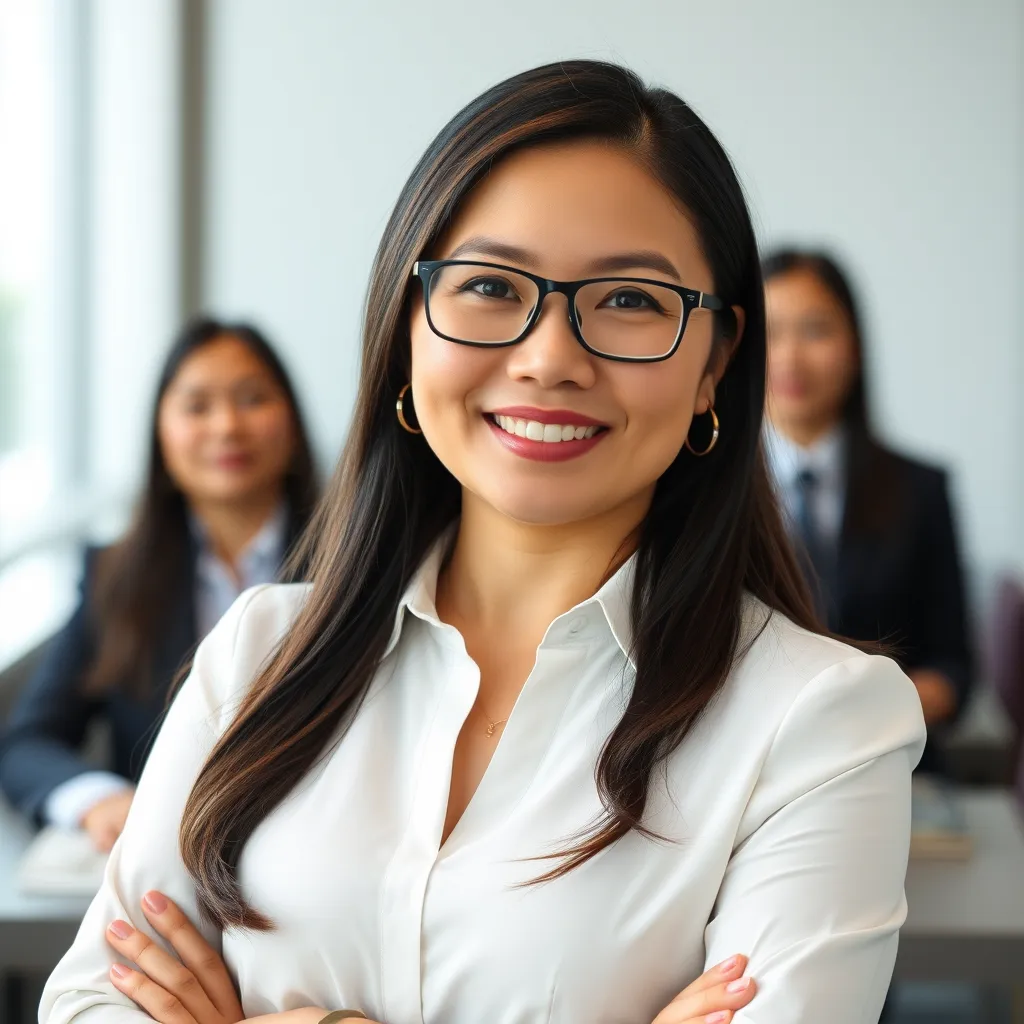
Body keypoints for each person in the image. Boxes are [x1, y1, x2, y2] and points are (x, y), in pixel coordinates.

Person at [40, 62, 925, 1024]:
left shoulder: (821, 724)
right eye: (491, 286)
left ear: (713, 362)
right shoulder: (260, 653)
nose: (550, 357)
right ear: (406, 324)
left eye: (630, 299)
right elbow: (94, 1003)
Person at [0, 317, 318, 852]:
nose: (226, 427)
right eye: (197, 407)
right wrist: (100, 800)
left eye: (252, 398)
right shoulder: (115, 576)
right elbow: (28, 744)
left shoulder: (362, 559)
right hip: (166, 865)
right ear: (161, 436)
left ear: (291, 422)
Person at [762, 249, 973, 771]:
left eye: (815, 330)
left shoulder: (921, 489)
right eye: (770, 332)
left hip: (888, 763)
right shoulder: (699, 489)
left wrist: (873, 716)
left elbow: (953, 668)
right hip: (751, 776)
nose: (789, 358)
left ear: (854, 348)